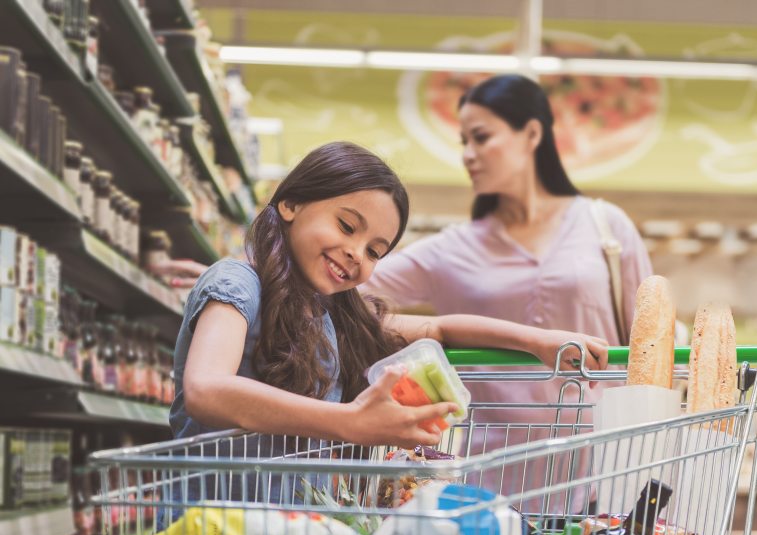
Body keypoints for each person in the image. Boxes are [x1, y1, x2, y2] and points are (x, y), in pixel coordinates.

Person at [172, 141, 607, 471]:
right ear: (290, 203)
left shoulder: (328, 314)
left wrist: (539, 341)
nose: (356, 253)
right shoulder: (237, 283)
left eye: (376, 251)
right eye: (346, 226)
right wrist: (349, 421)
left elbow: (439, 330)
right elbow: (206, 389)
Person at [360, 75, 653, 512]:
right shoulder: (451, 249)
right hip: (486, 476)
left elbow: (647, 343)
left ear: (532, 133)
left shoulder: (606, 227)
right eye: (463, 141)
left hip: (601, 475)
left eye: (481, 138)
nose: (468, 155)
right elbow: (343, 293)